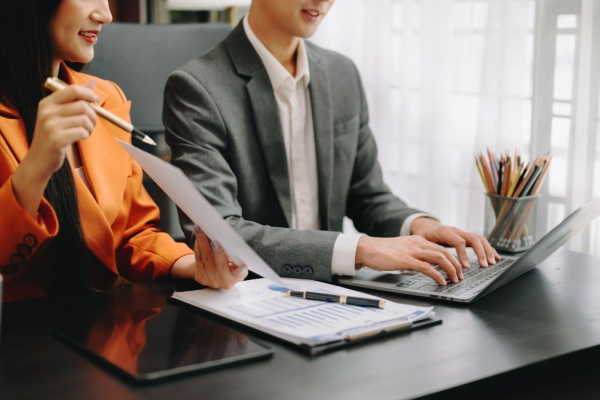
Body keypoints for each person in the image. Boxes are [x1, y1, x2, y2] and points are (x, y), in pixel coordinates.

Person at [163, 0, 501, 287]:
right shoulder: (196, 88)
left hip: (338, 298)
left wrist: (420, 226)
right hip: (251, 305)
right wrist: (360, 249)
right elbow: (221, 234)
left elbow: (367, 196)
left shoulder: (342, 74)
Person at [0, 0, 247, 303]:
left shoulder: (106, 97)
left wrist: (196, 266)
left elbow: (134, 233)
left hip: (109, 328)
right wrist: (35, 170)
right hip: (21, 337)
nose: (105, 14)